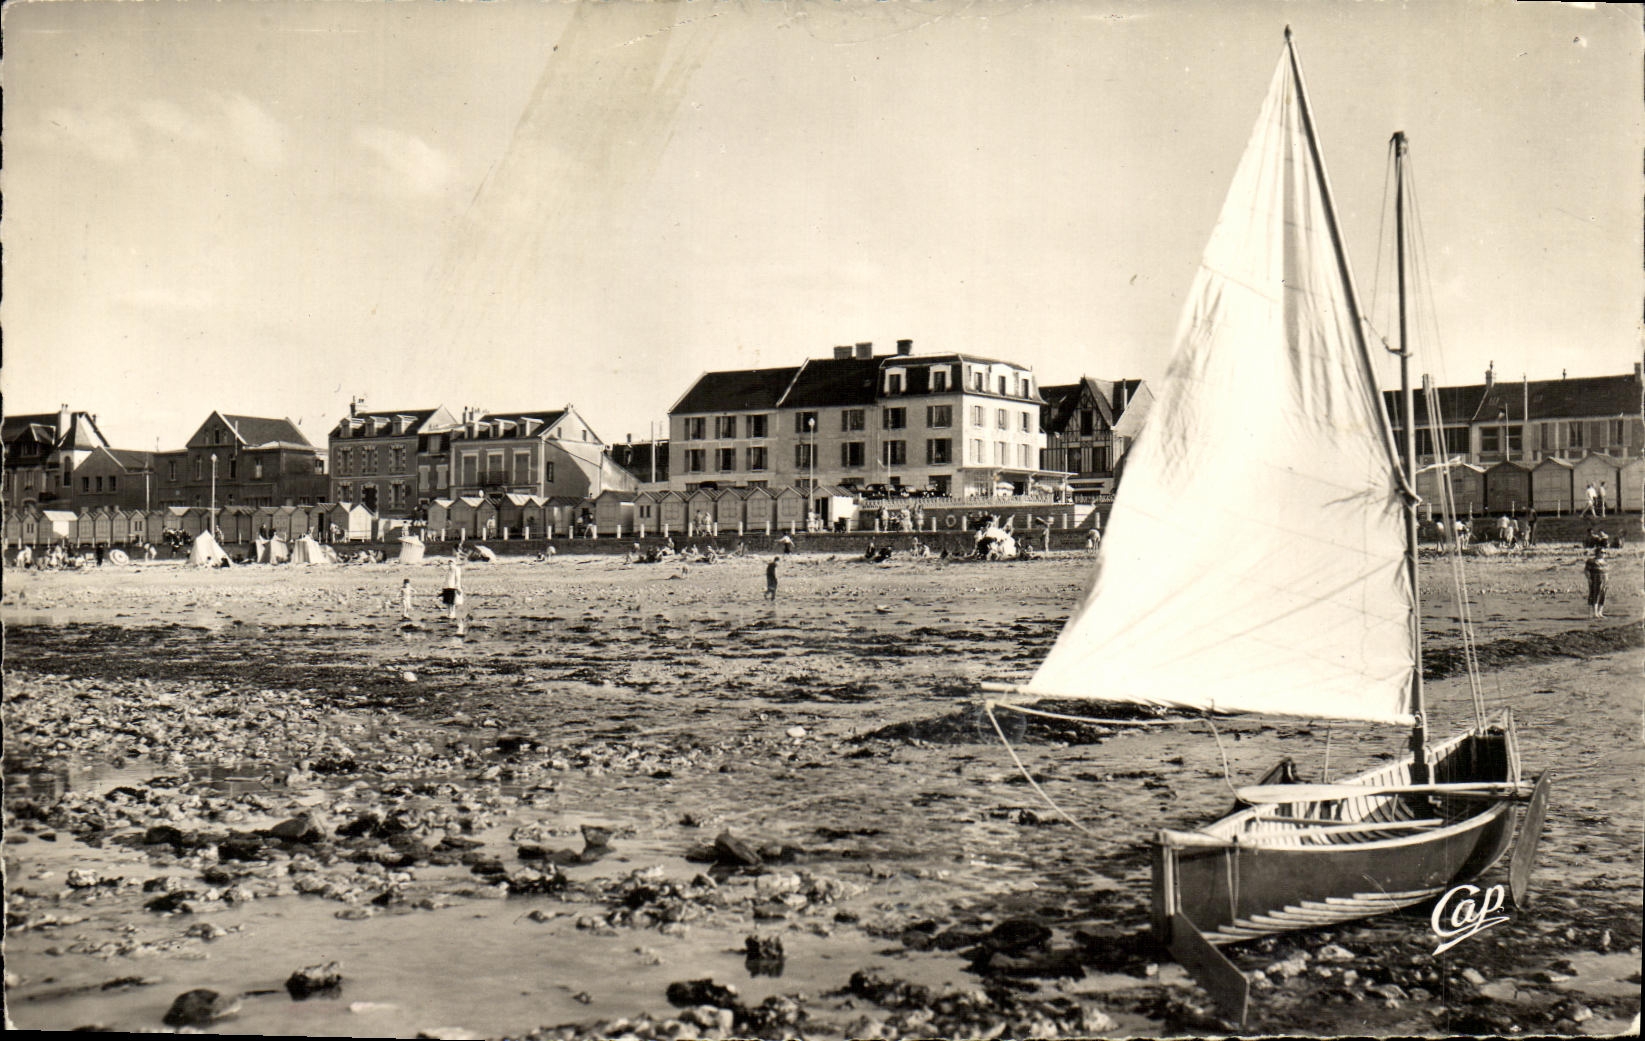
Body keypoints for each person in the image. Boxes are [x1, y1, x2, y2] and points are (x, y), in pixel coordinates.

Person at [1585, 546, 1608, 619]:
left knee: (1602, 595)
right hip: (1595, 579)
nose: (1603, 554)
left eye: (1604, 552)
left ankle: (1600, 612)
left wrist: (1606, 580)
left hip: (1604, 580)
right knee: (1594, 595)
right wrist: (1589, 579)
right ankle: (1593, 613)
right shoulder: (1591, 561)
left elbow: (1606, 572)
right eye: (1602, 552)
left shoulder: (1605, 562)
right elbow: (1586, 570)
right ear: (1597, 553)